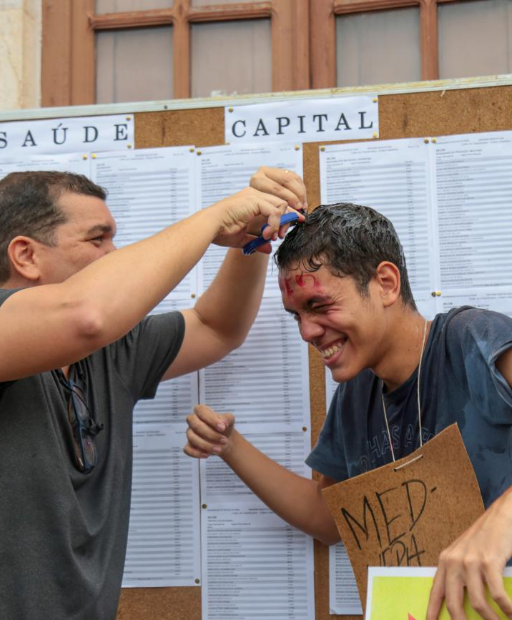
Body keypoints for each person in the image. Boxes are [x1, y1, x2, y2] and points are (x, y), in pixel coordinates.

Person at [0, 167, 306, 620]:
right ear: (25, 255)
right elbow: (86, 315)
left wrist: (253, 241)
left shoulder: (109, 352)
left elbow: (218, 327)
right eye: (97, 239)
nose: (113, 253)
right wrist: (216, 218)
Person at [184, 202, 512, 620]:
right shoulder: (357, 394)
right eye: (296, 316)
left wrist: (502, 520)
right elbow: (328, 517)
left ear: (386, 284)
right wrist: (229, 446)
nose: (306, 331)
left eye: (319, 306)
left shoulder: (470, 339)